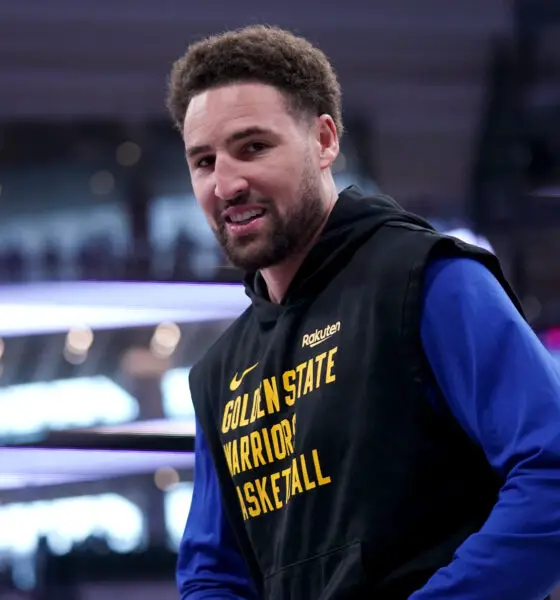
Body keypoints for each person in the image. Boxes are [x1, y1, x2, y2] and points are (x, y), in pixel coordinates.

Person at [166, 25, 560, 599]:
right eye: (204, 161)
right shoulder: (220, 374)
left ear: (324, 140)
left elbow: (551, 472)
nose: (227, 183)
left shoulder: (430, 281)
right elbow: (212, 573)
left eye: (253, 147)